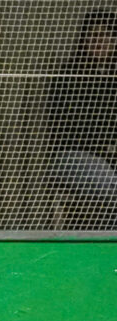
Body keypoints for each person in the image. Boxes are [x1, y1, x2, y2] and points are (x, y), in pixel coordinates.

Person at [46, 10, 117, 229]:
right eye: (93, 37)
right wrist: (107, 148)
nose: (100, 43)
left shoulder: (112, 76)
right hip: (72, 155)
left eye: (107, 37)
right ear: (83, 40)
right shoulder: (70, 75)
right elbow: (69, 125)